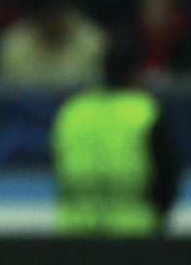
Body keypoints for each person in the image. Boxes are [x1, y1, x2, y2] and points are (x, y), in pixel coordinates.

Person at [50, 37, 180, 236]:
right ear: (135, 72)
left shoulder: (73, 111)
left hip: (76, 233)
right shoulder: (143, 111)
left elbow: (57, 164)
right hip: (135, 233)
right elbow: (168, 173)